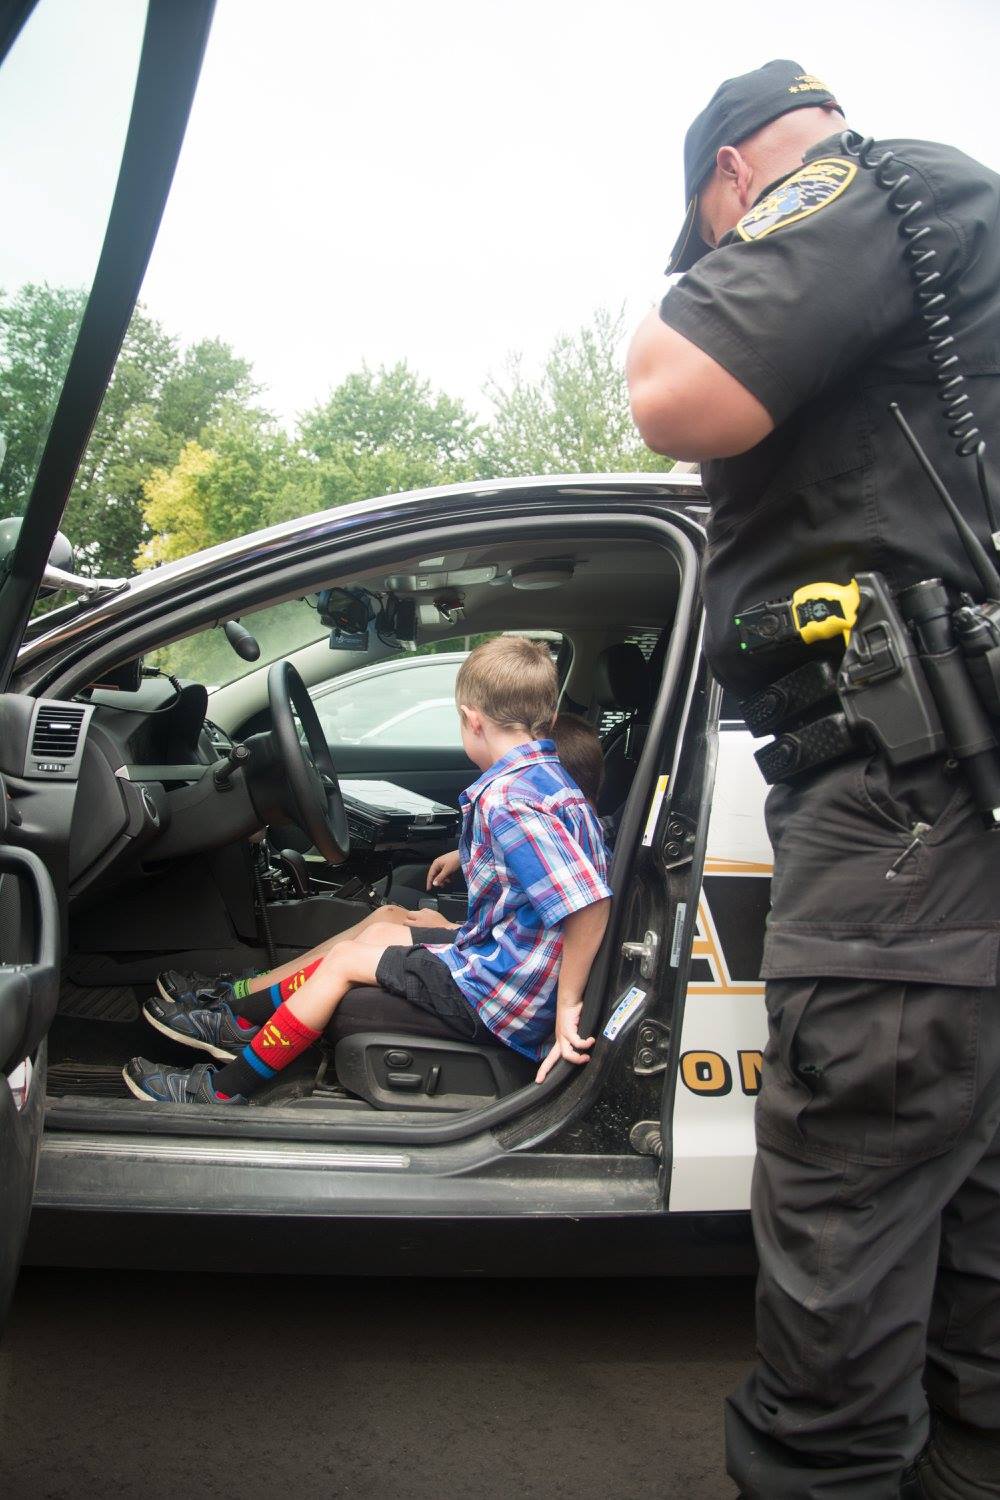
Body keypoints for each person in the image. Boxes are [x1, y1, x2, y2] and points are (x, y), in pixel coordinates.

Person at [627, 59, 1000, 1500]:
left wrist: (683, 282)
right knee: (976, 1293)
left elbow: (676, 388)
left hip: (907, 820)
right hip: (962, 822)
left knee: (840, 1313)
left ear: (733, 179)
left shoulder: (865, 183)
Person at [125, 639, 612, 1103]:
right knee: (378, 932)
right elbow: (557, 853)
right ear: (547, 716)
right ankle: (244, 1019)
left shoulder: (508, 799)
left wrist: (568, 1006)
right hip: (510, 962)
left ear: (472, 720)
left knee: (345, 962)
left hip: (504, 994)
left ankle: (225, 1089)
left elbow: (588, 903)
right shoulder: (552, 781)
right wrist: (468, 855)